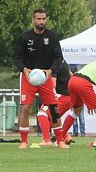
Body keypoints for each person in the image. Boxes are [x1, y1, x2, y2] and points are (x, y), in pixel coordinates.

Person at [12, 8, 64, 149]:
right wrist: (24, 69)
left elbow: (59, 58)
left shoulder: (52, 37)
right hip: (28, 77)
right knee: (26, 107)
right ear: (33, 20)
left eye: (43, 19)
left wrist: (50, 71)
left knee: (53, 108)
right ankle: (23, 141)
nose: (41, 21)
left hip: (45, 77)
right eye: (38, 19)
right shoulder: (24, 37)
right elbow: (16, 58)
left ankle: (60, 141)